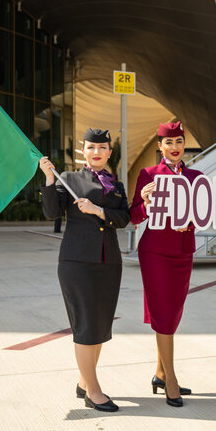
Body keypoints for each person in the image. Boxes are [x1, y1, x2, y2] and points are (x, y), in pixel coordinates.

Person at [39, 128, 131, 412]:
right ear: (83, 151)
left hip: (108, 262)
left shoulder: (116, 185)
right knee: (85, 325)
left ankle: (83, 380)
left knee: (101, 325)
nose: (97, 153)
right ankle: (93, 391)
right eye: (91, 148)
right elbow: (52, 212)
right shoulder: (69, 179)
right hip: (77, 262)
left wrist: (98, 210)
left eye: (102, 148)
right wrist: (49, 179)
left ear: (109, 153)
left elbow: (124, 218)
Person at [129, 121, 202, 408]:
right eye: (169, 142)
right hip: (156, 252)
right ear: (159, 146)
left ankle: (159, 373)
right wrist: (145, 203)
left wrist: (192, 222)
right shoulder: (148, 174)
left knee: (173, 311)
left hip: (184, 252)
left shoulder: (196, 176)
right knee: (163, 313)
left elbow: (204, 213)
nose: (174, 148)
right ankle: (170, 379)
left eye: (179, 142)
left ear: (184, 145)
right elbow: (134, 216)